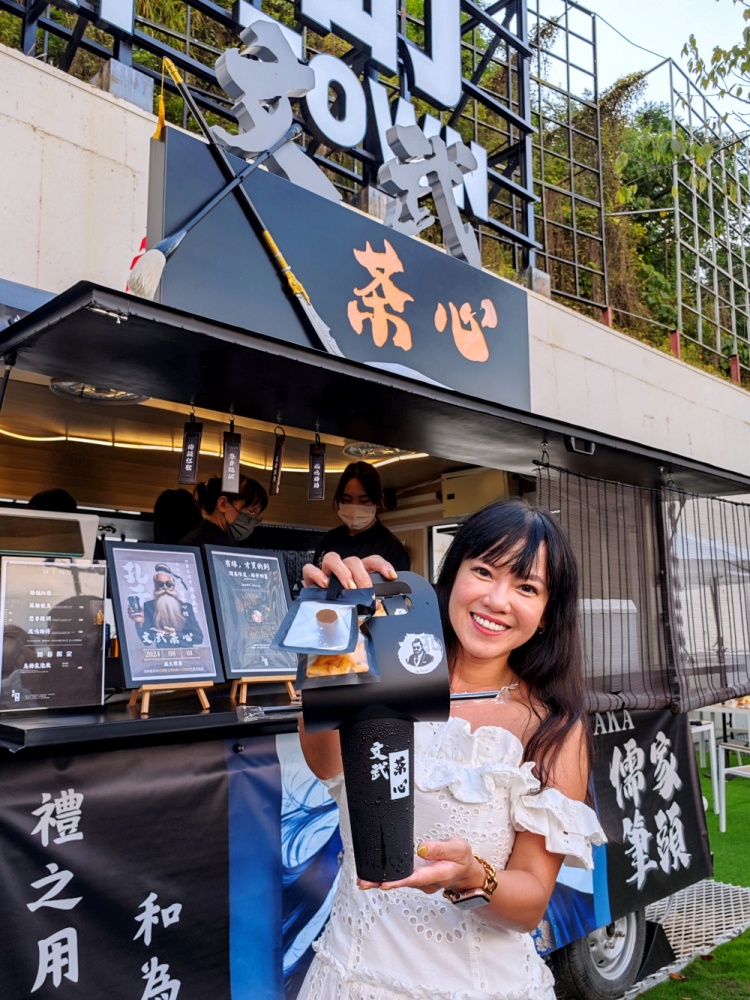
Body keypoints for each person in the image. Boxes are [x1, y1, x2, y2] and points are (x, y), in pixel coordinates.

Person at [297, 498, 605, 1000]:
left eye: (527, 587)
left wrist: (471, 875)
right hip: (347, 976)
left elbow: (530, 904)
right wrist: (332, 636)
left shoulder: (553, 727)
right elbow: (326, 763)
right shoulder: (381, 665)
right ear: (452, 575)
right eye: (483, 571)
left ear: (547, 613)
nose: (498, 599)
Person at [313, 461, 410, 572]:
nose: (354, 507)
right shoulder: (329, 540)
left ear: (378, 502)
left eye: (364, 501)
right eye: (347, 500)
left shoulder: (392, 549)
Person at [127, 564, 204, 647]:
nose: (165, 588)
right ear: (155, 586)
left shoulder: (186, 607)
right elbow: (147, 641)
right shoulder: (149, 606)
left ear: (173, 586)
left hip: (188, 656)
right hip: (163, 656)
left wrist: (175, 634)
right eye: (160, 584)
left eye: (168, 584)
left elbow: (198, 638)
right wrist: (140, 622)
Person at [179, 475, 268, 547]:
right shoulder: (208, 543)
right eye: (251, 511)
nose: (252, 519)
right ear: (223, 504)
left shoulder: (204, 537)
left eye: (256, 515)